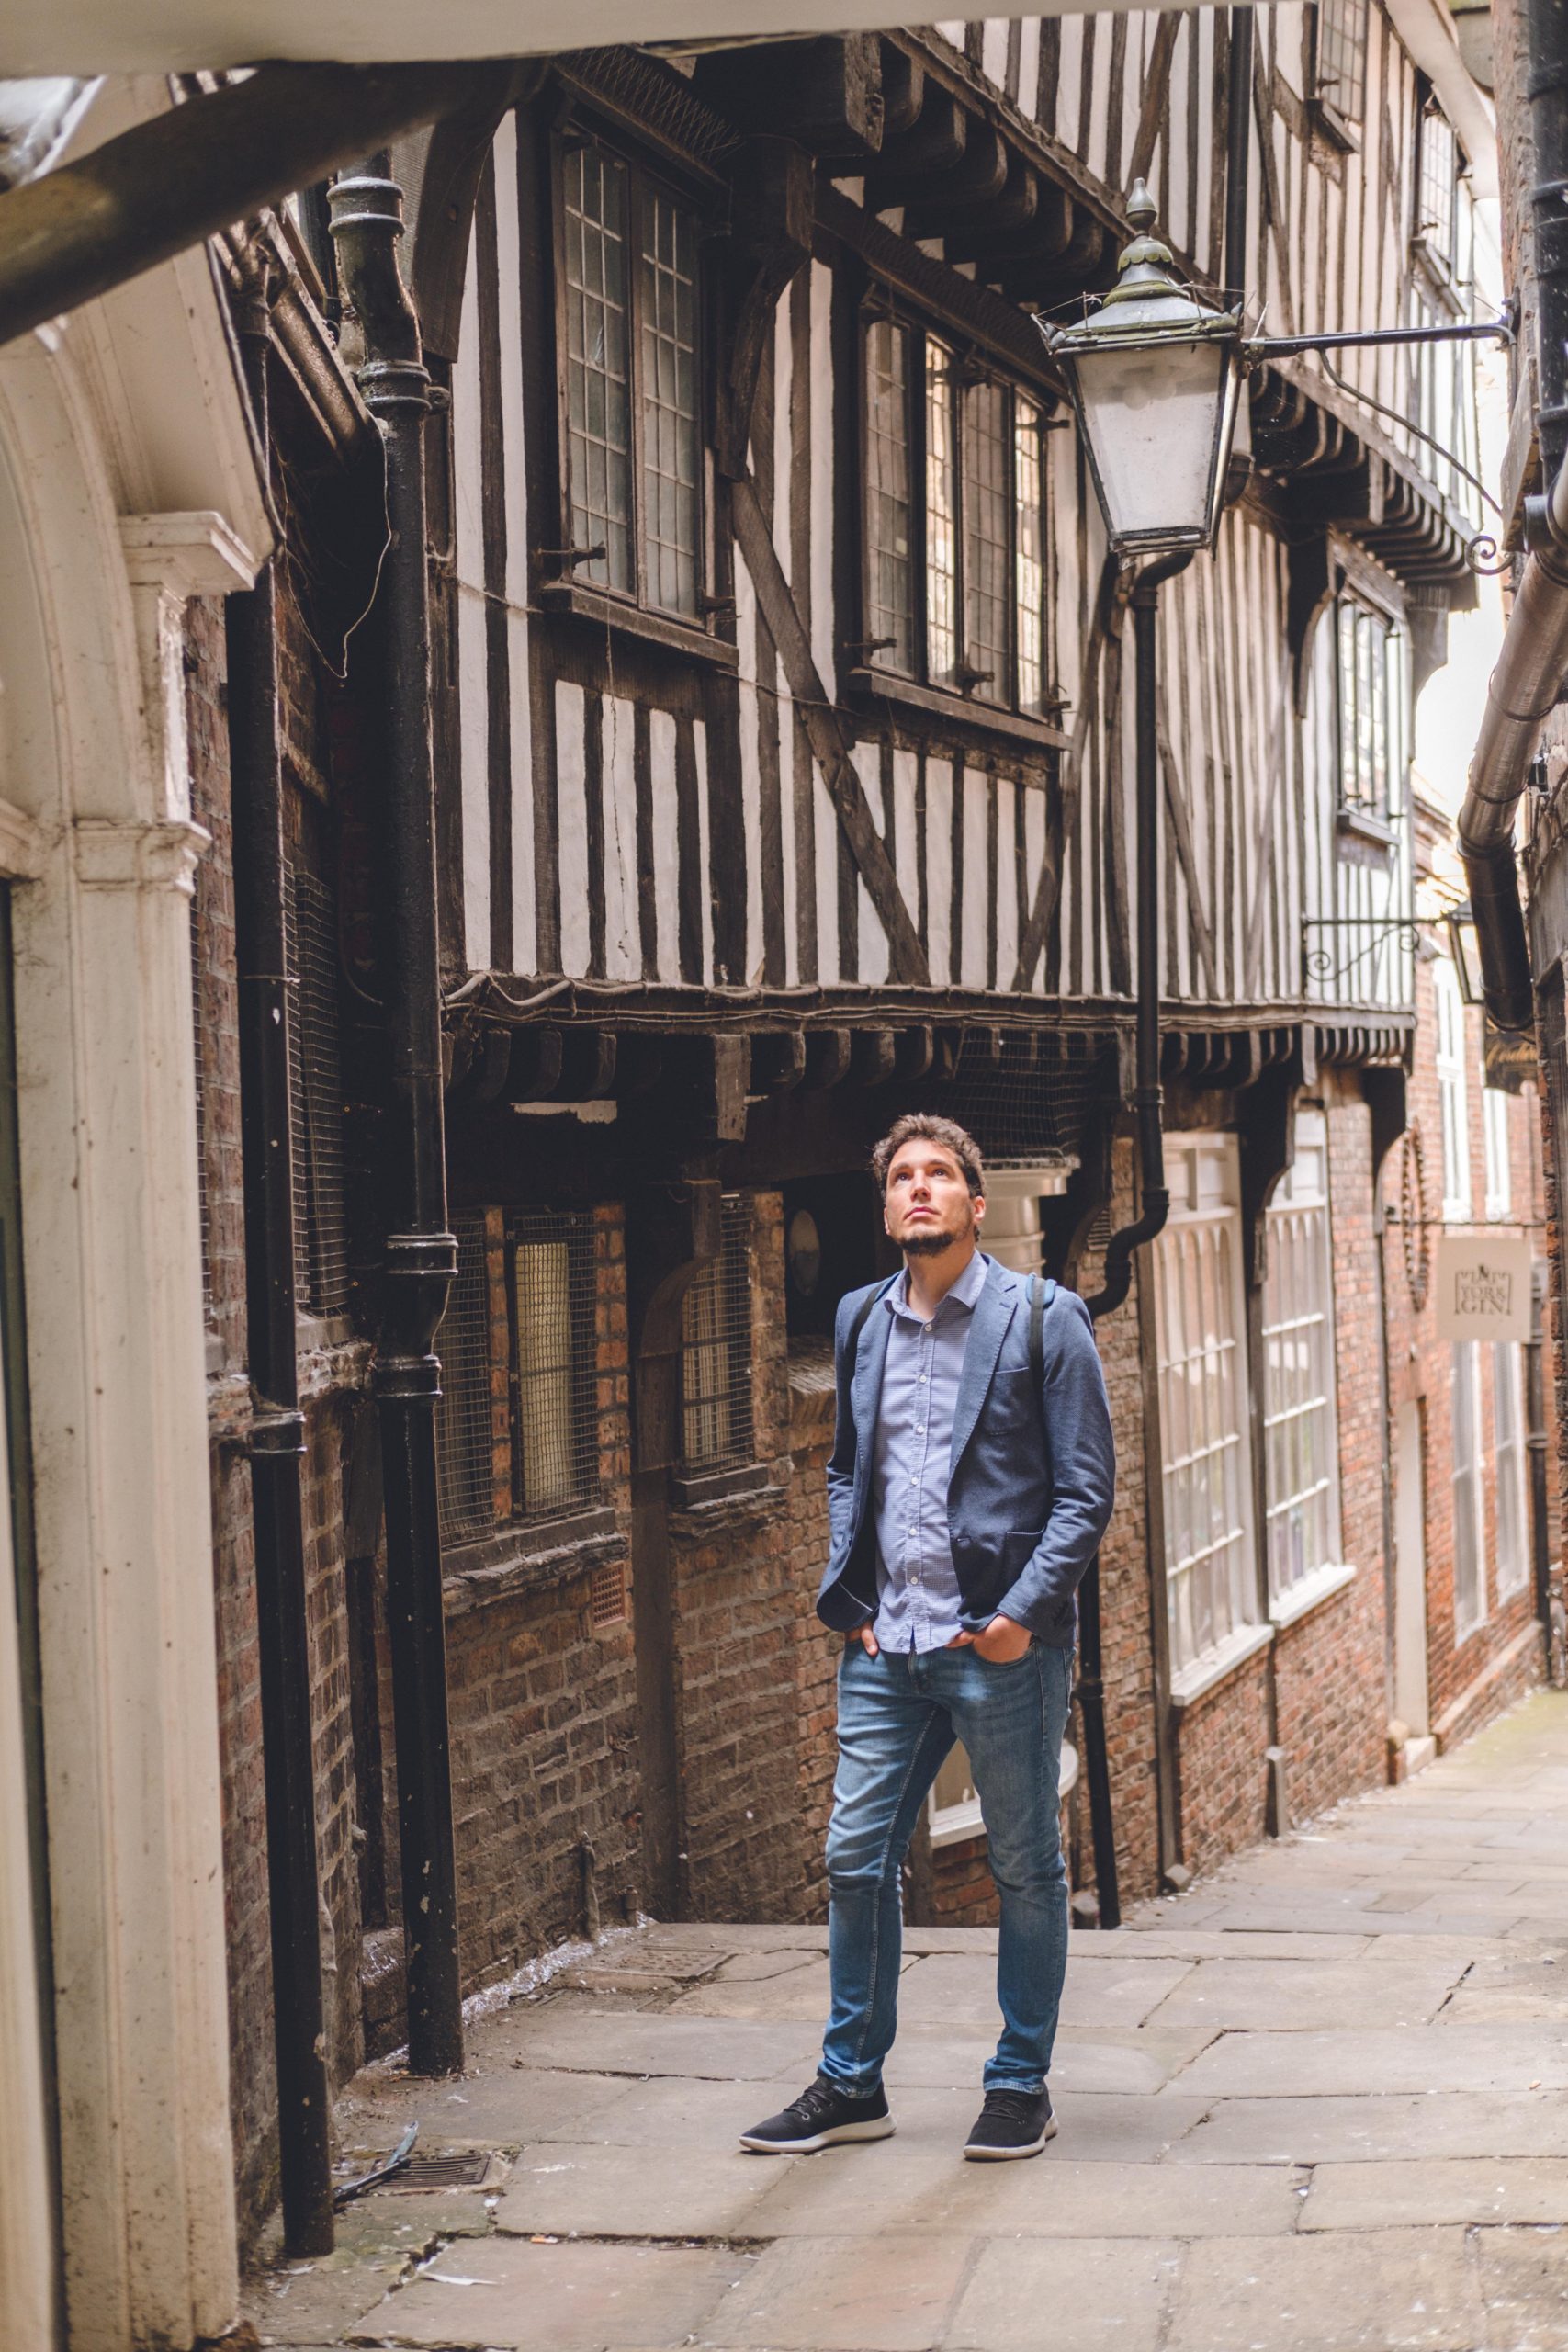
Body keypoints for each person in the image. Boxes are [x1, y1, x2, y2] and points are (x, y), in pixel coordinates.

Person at [740, 1114, 1114, 2162]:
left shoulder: (1045, 1318)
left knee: (1023, 1866)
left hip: (999, 1646)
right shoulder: (861, 1319)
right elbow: (848, 1469)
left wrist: (1017, 1619)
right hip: (885, 1647)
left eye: (938, 1175)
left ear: (973, 1202)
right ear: (887, 1202)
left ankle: (1018, 2083)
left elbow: (1085, 1496)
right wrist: (846, 1593)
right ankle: (852, 2083)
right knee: (854, 1859)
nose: (918, 1189)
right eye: (901, 1175)